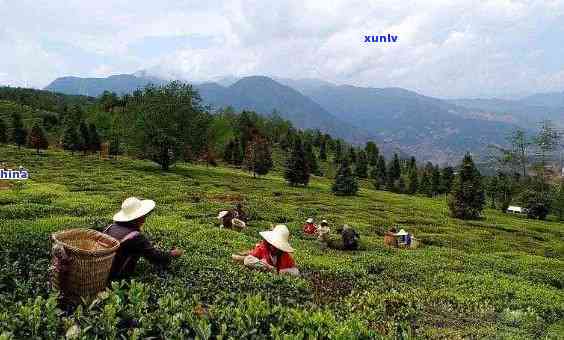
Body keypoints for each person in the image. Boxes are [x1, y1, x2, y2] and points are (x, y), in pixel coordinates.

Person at [104, 197, 183, 279]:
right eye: (143, 216)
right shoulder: (136, 237)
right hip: (117, 277)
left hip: (104, 270)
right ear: (137, 218)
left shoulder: (110, 227)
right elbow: (155, 257)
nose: (144, 218)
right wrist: (172, 254)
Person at [233, 224, 299, 276]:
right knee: (248, 260)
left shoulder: (285, 255)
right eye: (273, 244)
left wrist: (279, 271)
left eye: (277, 246)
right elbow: (249, 259)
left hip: (278, 272)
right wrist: (267, 266)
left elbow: (295, 270)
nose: (274, 247)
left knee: (295, 272)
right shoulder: (263, 247)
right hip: (264, 267)